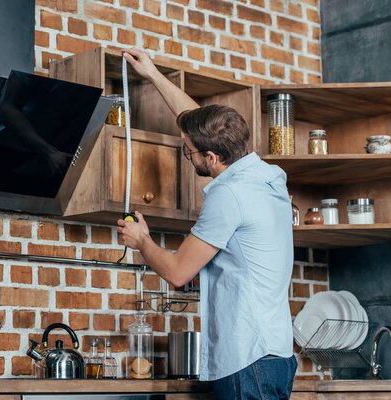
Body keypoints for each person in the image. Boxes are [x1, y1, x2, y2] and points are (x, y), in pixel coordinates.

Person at [117, 48, 297, 399]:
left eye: (189, 152)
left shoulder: (229, 196)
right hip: (273, 353)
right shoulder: (265, 177)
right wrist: (153, 75)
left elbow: (179, 273)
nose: (189, 156)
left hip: (247, 360)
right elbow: (195, 121)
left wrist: (142, 241)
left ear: (211, 158)